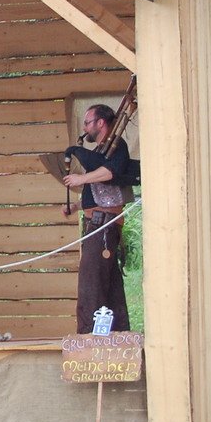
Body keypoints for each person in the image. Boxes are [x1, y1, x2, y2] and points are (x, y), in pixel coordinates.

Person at [62, 104, 133, 334]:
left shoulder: (116, 146)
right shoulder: (102, 152)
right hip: (97, 223)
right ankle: (115, 334)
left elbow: (110, 173)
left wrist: (80, 179)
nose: (85, 128)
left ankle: (88, 337)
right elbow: (100, 193)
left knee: (91, 284)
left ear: (100, 123)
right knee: (109, 286)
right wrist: (76, 206)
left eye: (87, 123)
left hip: (103, 225)